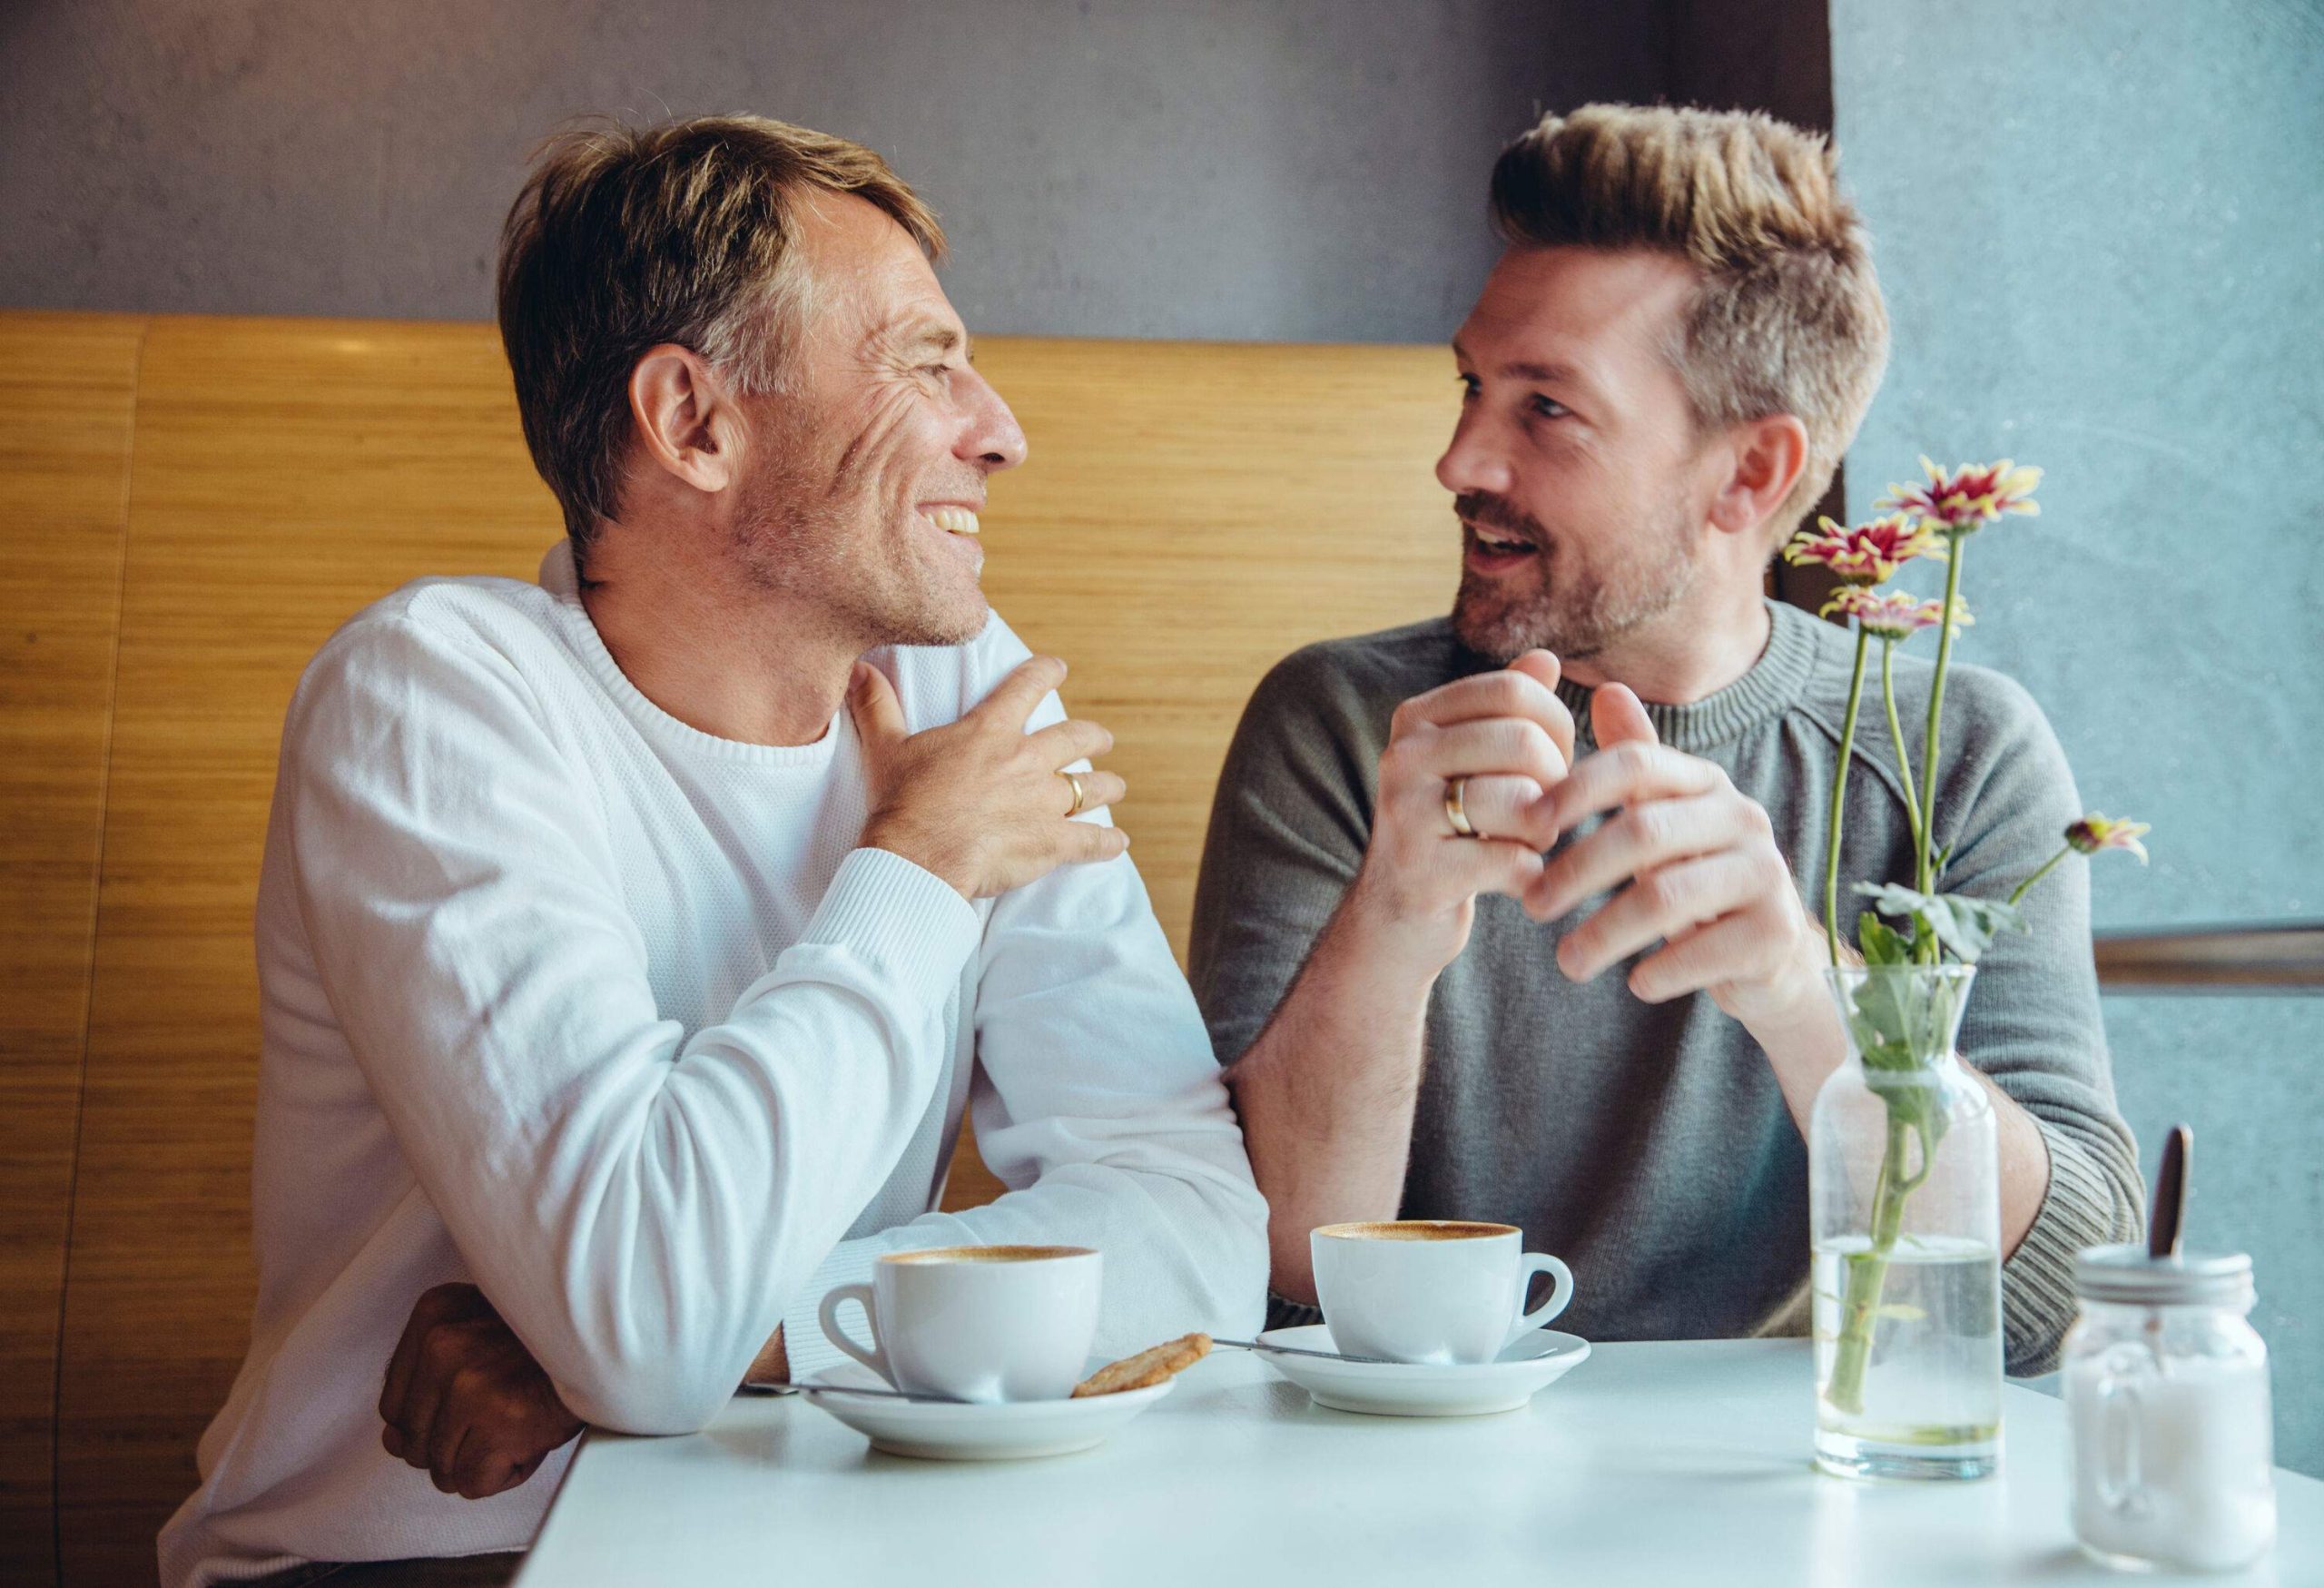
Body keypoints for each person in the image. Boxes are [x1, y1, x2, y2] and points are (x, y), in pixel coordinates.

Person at [160, 116, 1267, 1588]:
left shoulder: (959, 692)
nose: (998, 428)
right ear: (692, 421)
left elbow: (1199, 1229)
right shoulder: (435, 695)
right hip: (423, 1559)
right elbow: (642, 1322)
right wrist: (918, 867)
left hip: (795, 1539)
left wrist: (746, 1328)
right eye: (923, 362)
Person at [1191, 104, 2141, 1359]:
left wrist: (1806, 994)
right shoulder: (1342, 727)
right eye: (1474, 385)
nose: (1459, 458)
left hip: (1807, 1501)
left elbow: (2062, 1289)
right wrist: (1394, 923)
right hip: (1415, 1491)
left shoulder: (1956, 752)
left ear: (1747, 475)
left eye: (1547, 410)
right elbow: (1263, 1274)